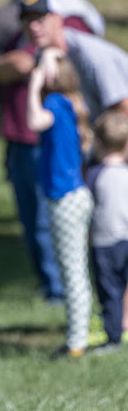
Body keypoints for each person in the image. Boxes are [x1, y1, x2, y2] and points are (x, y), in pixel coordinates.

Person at [0, 0, 64, 303]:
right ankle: (47, 282)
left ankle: (57, 289)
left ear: (52, 18)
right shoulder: (16, 45)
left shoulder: (66, 44)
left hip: (47, 143)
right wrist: (19, 63)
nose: (34, 25)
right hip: (17, 137)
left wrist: (24, 64)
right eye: (28, 18)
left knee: (49, 221)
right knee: (30, 220)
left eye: (40, 18)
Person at [26, 49, 94, 358]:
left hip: (65, 198)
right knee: (75, 268)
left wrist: (35, 82)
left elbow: (33, 121)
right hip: (75, 195)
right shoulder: (72, 103)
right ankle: (79, 335)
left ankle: (77, 342)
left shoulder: (53, 102)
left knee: (72, 270)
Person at [85, 110, 128, 354]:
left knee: (109, 290)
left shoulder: (94, 175)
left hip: (104, 242)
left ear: (98, 143)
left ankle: (113, 336)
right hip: (126, 238)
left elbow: (87, 209)